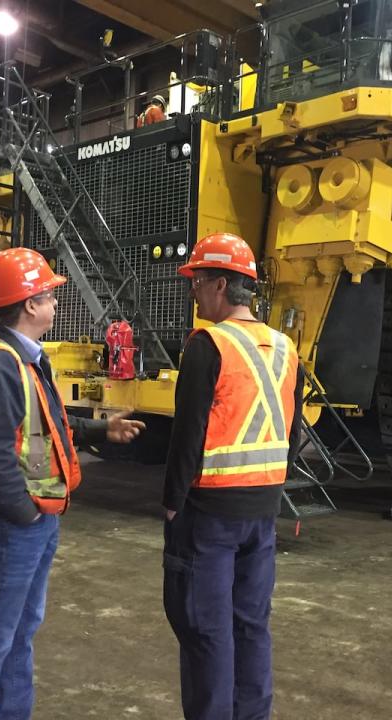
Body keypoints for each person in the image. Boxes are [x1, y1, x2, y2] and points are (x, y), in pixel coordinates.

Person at [0, 247, 145, 720]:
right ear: (29, 304)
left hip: (34, 520)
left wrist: (103, 430)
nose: (56, 303)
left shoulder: (27, 359)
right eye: (50, 296)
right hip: (12, 523)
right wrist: (24, 512)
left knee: (19, 630)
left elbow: (46, 424)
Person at [162, 232, 303, 720]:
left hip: (211, 516)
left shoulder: (207, 345)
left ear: (220, 284)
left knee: (206, 631)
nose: (194, 292)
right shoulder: (285, 349)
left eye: (198, 282)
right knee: (251, 626)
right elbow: (293, 430)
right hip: (263, 512)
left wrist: (171, 501)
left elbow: (188, 435)